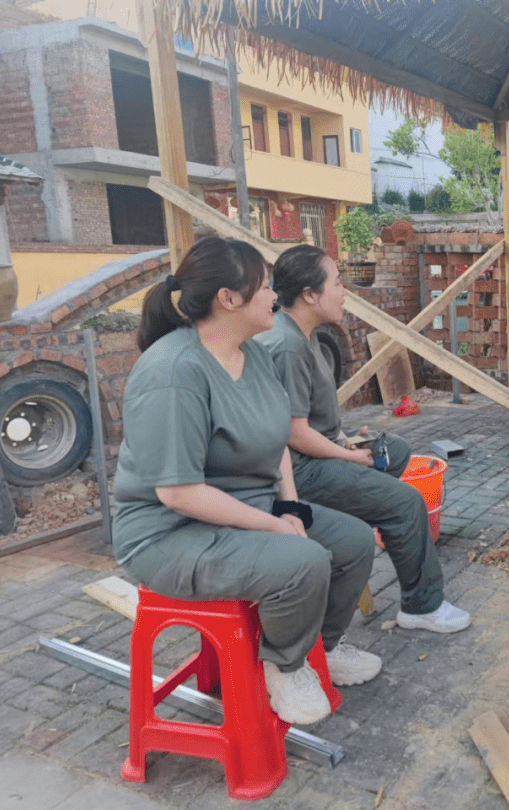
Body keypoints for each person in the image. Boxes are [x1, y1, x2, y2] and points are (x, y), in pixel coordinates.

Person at [113, 238, 379, 726]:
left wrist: (290, 507)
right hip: (169, 533)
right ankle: (284, 663)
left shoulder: (250, 352)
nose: (274, 297)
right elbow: (178, 493)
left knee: (356, 542)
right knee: (303, 562)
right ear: (228, 299)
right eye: (263, 287)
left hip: (244, 509)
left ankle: (324, 643)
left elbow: (277, 434)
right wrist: (274, 528)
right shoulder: (175, 372)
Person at [257, 245, 471, 634]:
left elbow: (319, 418)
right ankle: (421, 606)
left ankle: (372, 512)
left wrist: (345, 439)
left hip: (319, 455)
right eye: (337, 283)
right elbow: (294, 434)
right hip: (298, 472)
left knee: (396, 451)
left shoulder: (305, 336)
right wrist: (349, 457)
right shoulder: (286, 345)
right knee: (406, 502)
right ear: (309, 294)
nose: (344, 292)